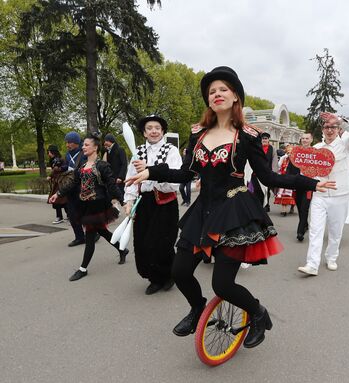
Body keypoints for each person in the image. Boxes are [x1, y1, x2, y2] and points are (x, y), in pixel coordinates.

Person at [125, 66, 334, 348]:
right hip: (203, 211)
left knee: (222, 285)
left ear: (235, 96)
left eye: (223, 89)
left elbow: (269, 177)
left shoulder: (247, 136)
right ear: (208, 100)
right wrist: (150, 172)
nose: (217, 94)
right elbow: (186, 174)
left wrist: (311, 183)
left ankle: (259, 314)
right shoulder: (198, 134)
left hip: (235, 211)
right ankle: (198, 308)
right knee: (180, 271)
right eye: (212, 91)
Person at [49, 134, 128, 281]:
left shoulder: (102, 166)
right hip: (85, 205)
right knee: (102, 231)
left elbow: (112, 186)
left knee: (90, 235)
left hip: (97, 206)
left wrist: (124, 202)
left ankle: (83, 268)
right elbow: (72, 183)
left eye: (86, 145)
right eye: (83, 145)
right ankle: (122, 249)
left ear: (95, 147)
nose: (83, 147)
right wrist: (58, 194)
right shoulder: (82, 166)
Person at [298, 112, 349, 276]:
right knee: (315, 230)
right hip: (320, 195)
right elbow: (310, 170)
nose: (330, 130)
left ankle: (331, 257)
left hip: (339, 195)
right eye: (327, 127)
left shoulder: (346, 145)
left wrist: (340, 120)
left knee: (335, 231)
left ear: (338, 128)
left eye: (333, 127)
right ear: (322, 129)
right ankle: (312, 264)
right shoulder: (317, 148)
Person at [124, 115, 182, 295]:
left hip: (165, 202)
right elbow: (131, 179)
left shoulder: (171, 150)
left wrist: (149, 170)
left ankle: (168, 275)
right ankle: (154, 278)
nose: (154, 131)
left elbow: (175, 181)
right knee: (143, 244)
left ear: (163, 131)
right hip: (144, 203)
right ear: (144, 132)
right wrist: (129, 201)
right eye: (149, 128)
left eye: (157, 127)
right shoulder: (138, 151)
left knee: (163, 244)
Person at [286, 132, 313, 242]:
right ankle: (305, 224)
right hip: (298, 183)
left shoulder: (315, 152)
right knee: (299, 206)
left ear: (311, 139)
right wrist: (288, 181)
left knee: (304, 208)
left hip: (310, 184)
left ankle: (300, 231)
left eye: (307, 138)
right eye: (303, 138)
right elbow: (290, 168)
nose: (304, 140)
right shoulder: (296, 152)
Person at [64, 132, 87, 246]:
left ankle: (94, 232)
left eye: (69, 142)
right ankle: (79, 237)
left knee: (85, 213)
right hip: (70, 188)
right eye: (66, 142)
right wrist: (61, 167)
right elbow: (67, 167)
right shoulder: (67, 155)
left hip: (81, 187)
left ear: (76, 143)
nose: (67, 145)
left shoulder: (84, 153)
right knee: (72, 214)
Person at [47, 145, 68, 224]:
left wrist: (50, 176)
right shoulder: (56, 159)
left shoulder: (57, 160)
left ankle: (60, 217)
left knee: (59, 200)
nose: (48, 153)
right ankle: (67, 215)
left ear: (53, 152)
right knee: (63, 200)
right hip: (58, 182)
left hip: (59, 182)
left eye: (49, 152)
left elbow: (57, 169)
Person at [273, 144, 296, 216]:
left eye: (291, 152)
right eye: (288, 152)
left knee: (293, 195)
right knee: (283, 194)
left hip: (292, 179)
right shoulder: (283, 158)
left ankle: (292, 207)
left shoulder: (295, 160)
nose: (289, 154)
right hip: (284, 178)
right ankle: (284, 210)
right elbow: (279, 166)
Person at [103, 133, 128, 198]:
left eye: (106, 141)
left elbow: (124, 164)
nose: (105, 143)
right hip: (111, 178)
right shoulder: (108, 151)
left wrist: (121, 176)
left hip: (118, 178)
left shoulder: (120, 149)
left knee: (120, 196)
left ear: (110, 141)